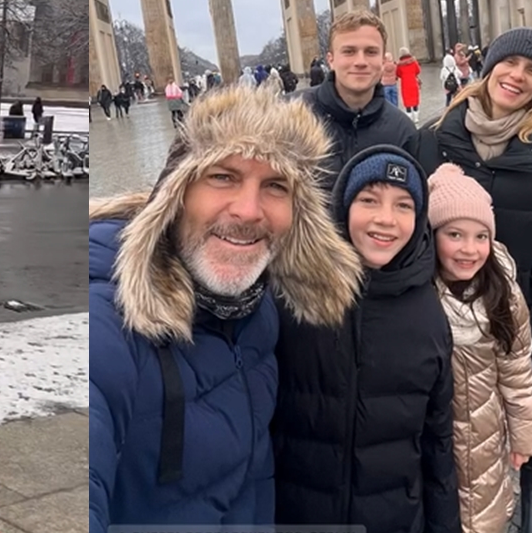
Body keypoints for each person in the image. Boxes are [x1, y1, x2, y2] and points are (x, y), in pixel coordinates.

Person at [89, 85, 364, 533]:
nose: (249, 210)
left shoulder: (259, 309)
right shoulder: (105, 321)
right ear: (176, 192)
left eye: (275, 185)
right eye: (223, 177)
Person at [414, 27, 532, 525]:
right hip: (443, 315)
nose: (517, 76)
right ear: (489, 68)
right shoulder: (432, 139)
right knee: (458, 412)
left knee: (521, 399)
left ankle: (530, 481)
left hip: (519, 315)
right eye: (509, 63)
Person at [273, 145, 460, 533]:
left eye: (403, 205)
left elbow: (437, 441)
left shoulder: (428, 315)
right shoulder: (293, 295)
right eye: (369, 200)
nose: (385, 219)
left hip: (394, 518)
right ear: (343, 207)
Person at [427, 163, 532, 533]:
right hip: (433, 437)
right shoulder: (419, 294)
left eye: (481, 237)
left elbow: (517, 370)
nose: (469, 249)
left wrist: (526, 435)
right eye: (455, 234)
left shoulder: (501, 294)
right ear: (432, 235)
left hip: (484, 433)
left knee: (482, 514)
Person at [290, 10, 417, 191]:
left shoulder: (403, 131)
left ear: (383, 60)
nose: (360, 61)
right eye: (349, 51)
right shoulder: (286, 117)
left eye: (371, 52)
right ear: (331, 60)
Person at [397, 46, 423, 119]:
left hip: (405, 84)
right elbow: (418, 70)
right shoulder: (413, 61)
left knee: (407, 101)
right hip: (413, 82)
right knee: (415, 100)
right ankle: (416, 117)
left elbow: (398, 74)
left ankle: (409, 117)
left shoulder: (400, 64)